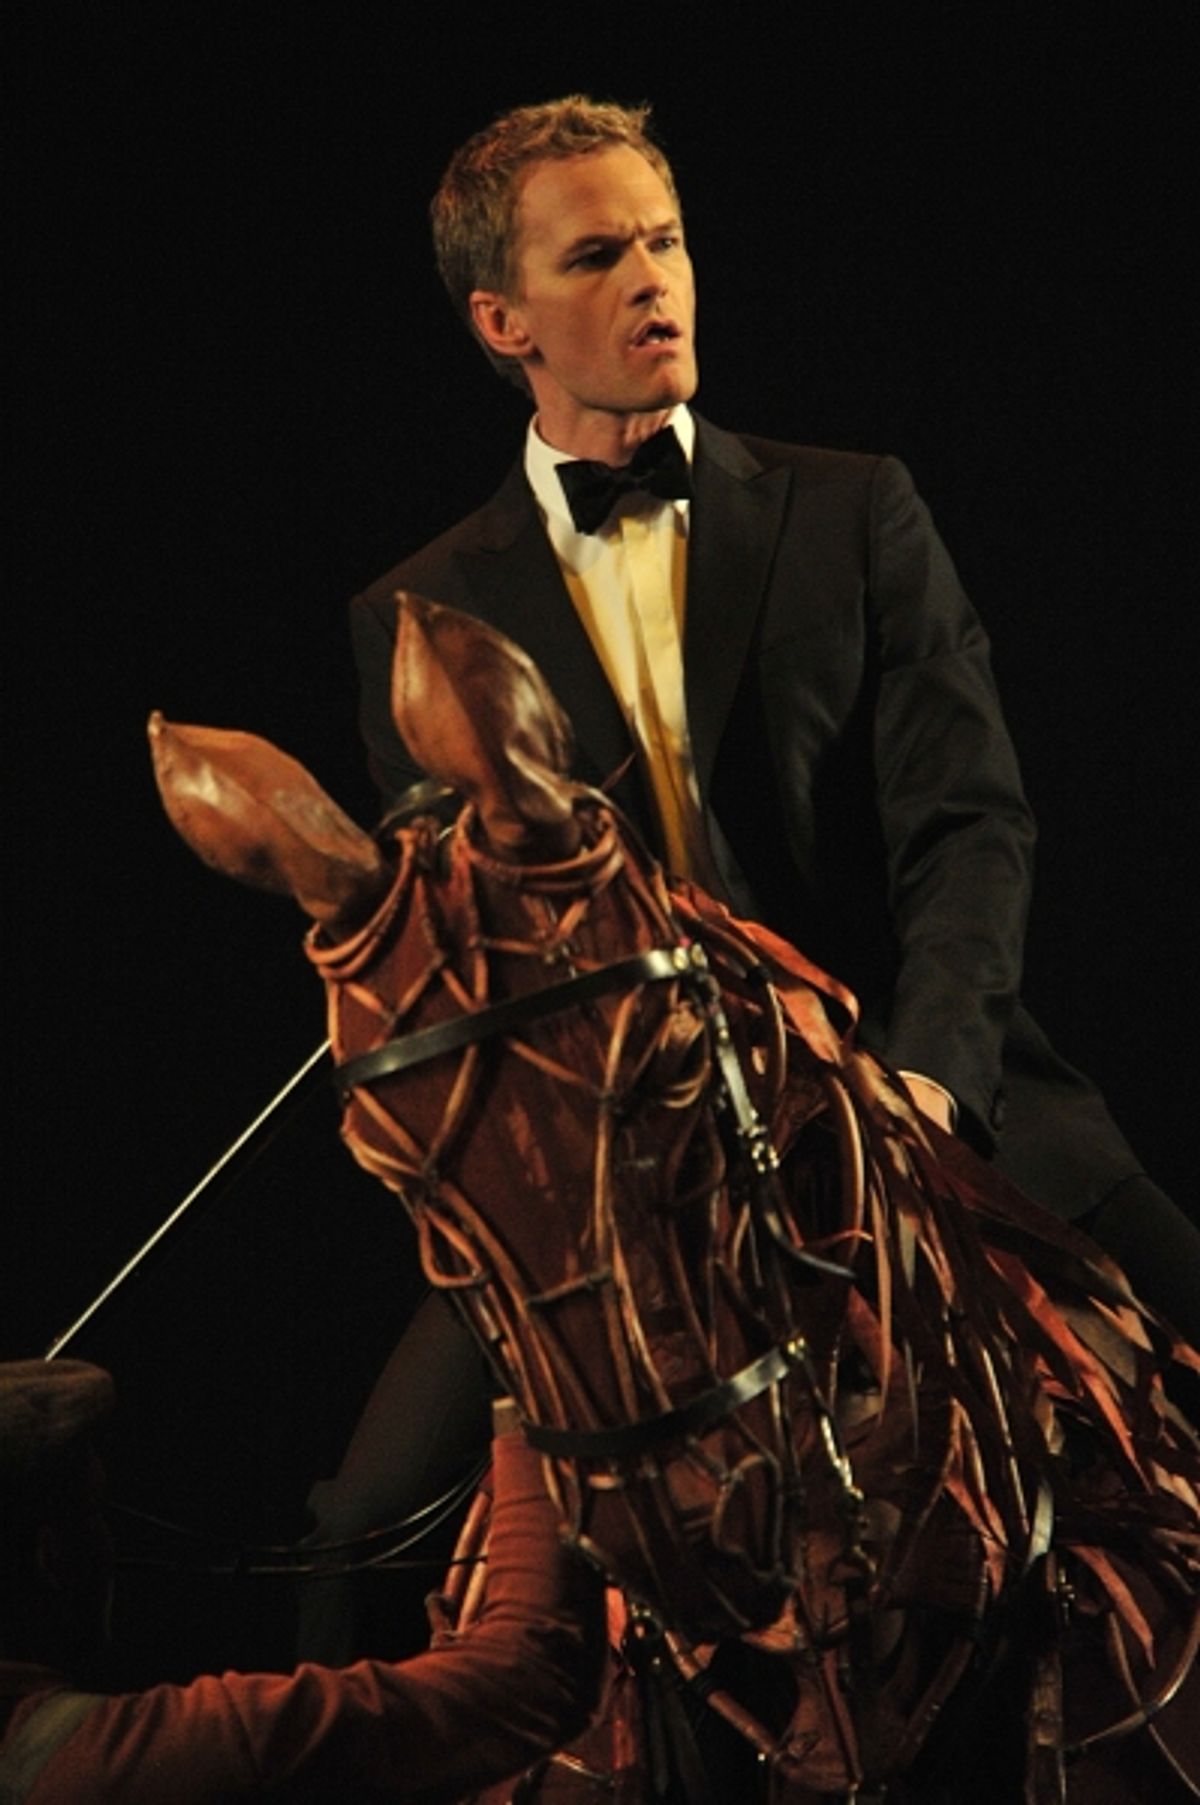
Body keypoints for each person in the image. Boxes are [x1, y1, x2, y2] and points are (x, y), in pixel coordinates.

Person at [304, 94, 1200, 1659]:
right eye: (599, 255)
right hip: (624, 1183)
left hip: (919, 1093)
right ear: (502, 320)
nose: (655, 278)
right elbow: (493, 970)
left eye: (666, 237)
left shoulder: (855, 511)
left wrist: (924, 1083)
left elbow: (968, 827)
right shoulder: (420, 617)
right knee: (352, 1538)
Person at [0, 1358, 605, 1803]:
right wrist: (540, 1385)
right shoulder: (109, 1769)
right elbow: (528, 1680)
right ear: (56, 1559)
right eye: (99, 1516)